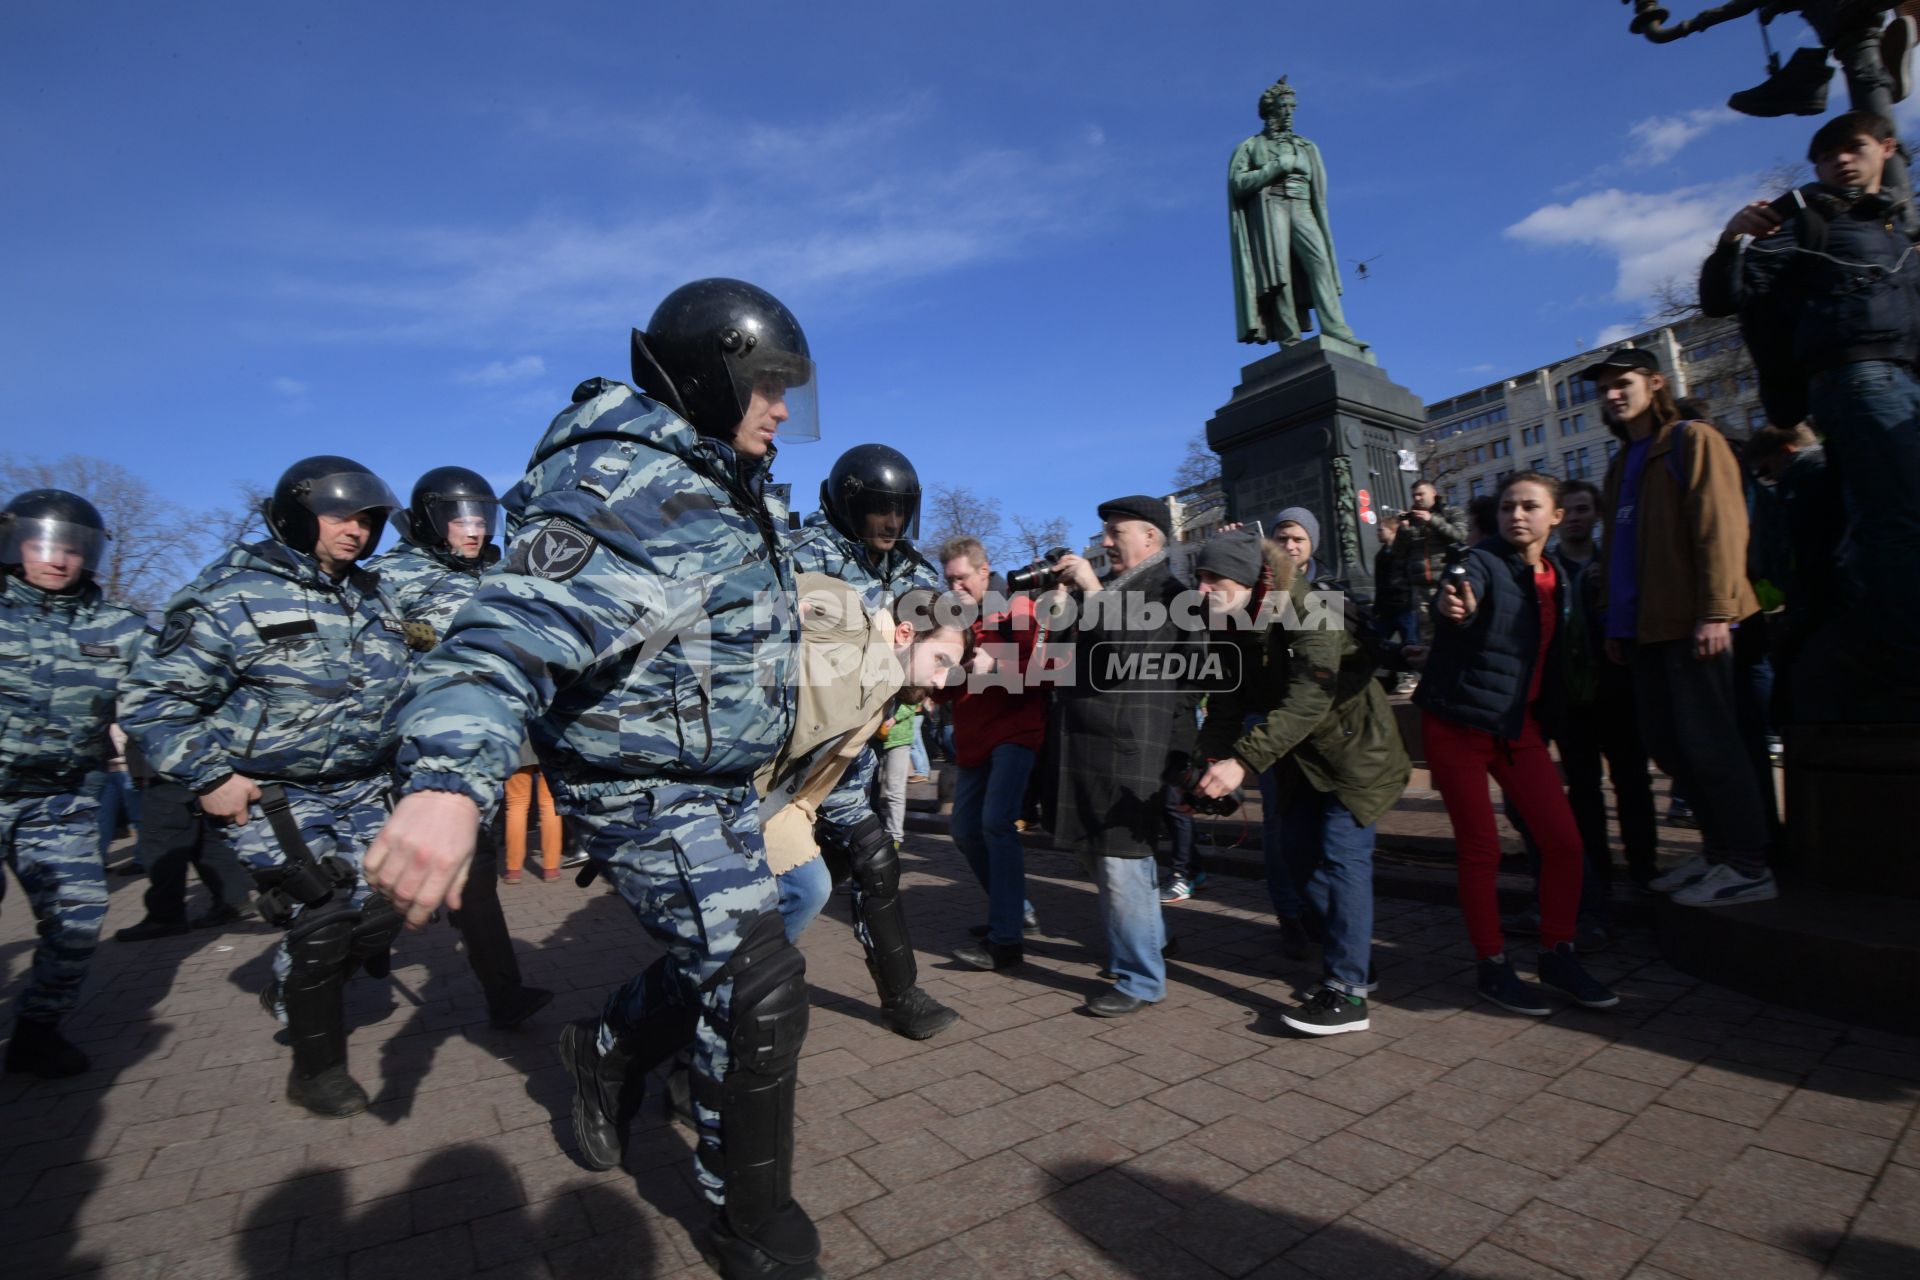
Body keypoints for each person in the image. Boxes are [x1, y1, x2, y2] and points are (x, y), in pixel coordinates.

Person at [363, 279, 825, 1280]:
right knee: (757, 983)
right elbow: (505, 631)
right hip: (639, 785)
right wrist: (445, 781)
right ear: (709, 374)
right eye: (768, 385)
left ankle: (607, 1046)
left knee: (755, 932)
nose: (784, 409)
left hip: (718, 779)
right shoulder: (616, 477)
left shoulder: (720, 481)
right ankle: (749, 1223)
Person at [118, 456, 413, 1115]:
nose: (358, 531)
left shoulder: (372, 595)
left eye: (368, 520)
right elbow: (151, 699)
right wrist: (209, 775)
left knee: (391, 905)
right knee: (325, 918)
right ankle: (316, 1072)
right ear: (296, 514)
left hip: (366, 787)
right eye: (342, 517)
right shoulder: (231, 594)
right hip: (277, 795)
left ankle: (291, 985)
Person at [1700, 109, 1920, 689]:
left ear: (1886, 149)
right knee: (1897, 517)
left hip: (1900, 378)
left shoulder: (1897, 229)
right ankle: (1903, 654)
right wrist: (1732, 237)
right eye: (1827, 156)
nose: (1840, 161)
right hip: (1857, 376)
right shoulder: (1804, 222)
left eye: (1852, 148)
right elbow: (1727, 295)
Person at [1415, 471, 1620, 1017]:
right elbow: (1460, 583)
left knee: (1564, 843)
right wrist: (1452, 603)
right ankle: (1493, 966)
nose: (1516, 516)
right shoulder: (1482, 562)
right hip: (1457, 723)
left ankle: (1558, 952)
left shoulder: (1559, 576)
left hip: (1517, 726)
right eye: (1507, 507)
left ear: (1555, 516)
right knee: (1481, 847)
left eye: (1530, 506)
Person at [1192, 529, 1410, 1034]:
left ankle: (1348, 993)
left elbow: (1310, 698)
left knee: (1341, 859)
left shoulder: (1307, 604)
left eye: (1213, 579)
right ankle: (1352, 954)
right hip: (1297, 759)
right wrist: (1207, 764)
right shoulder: (1222, 620)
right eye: (1199, 578)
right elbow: (1224, 703)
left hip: (1354, 754)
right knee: (1296, 858)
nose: (1201, 590)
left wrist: (1242, 763)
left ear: (1248, 580)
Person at [1583, 348, 1777, 907]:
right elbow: (1619, 554)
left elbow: (1720, 527)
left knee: (1710, 744)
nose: (1612, 396)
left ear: (1655, 383)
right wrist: (1616, 627)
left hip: (1694, 624)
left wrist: (1715, 611)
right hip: (1645, 632)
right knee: (1671, 746)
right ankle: (1717, 854)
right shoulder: (1623, 463)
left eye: (1622, 384)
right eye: (1604, 390)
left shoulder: (1693, 440)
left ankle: (1747, 863)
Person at [367, 466, 552, 1031]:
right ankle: (348, 945)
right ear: (429, 520)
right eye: (459, 519)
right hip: (421, 745)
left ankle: (502, 992)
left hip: (486, 741)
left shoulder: (498, 572)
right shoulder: (388, 577)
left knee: (471, 871)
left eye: (481, 518)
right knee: (441, 866)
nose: (473, 530)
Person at [784, 443, 956, 1041]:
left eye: (901, 510)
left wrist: (935, 664)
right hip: (795, 752)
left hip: (852, 751)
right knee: (836, 867)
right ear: (848, 507)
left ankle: (901, 993)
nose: (893, 523)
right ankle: (712, 990)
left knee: (856, 861)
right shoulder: (805, 555)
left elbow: (940, 628)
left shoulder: (909, 567)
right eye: (880, 510)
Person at [0, 490, 145, 1077]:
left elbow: (167, 698)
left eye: (73, 549)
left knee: (80, 917)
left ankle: (37, 1029)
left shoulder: (119, 628)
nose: (58, 561)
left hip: (58, 800)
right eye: (42, 546)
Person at [1041, 495, 1201, 1018]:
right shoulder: (1114, 589)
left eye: (1116, 532)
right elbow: (1059, 658)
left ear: (1151, 538)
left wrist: (1091, 590)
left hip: (1131, 748)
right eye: (1105, 532)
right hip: (1086, 746)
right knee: (1101, 859)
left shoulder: (1170, 592)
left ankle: (1140, 979)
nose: (1106, 541)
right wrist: (1064, 600)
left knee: (1123, 863)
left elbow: (1133, 657)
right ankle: (1155, 941)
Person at [939, 536, 1045, 968]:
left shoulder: (1021, 608)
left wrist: (993, 667)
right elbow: (944, 687)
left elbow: (1044, 672)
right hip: (972, 739)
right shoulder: (954, 619)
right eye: (948, 580)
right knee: (965, 831)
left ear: (984, 571)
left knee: (996, 825)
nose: (955, 587)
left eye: (961, 578)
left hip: (1015, 734)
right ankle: (1015, 910)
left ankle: (1006, 939)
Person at [1551, 479, 1657, 901]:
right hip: (1570, 698)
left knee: (1632, 782)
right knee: (1583, 788)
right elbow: (1324, 660)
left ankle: (1644, 868)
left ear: (1596, 515)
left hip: (1617, 692)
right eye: (1568, 510)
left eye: (1582, 509)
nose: (1575, 517)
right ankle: (1597, 875)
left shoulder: (1616, 565)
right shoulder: (1544, 569)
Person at [1228, 76, 1365, 348]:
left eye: (1293, 107)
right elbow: (1238, 183)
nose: (1289, 112)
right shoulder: (1251, 147)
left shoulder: (1306, 146)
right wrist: (1277, 166)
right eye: (1284, 106)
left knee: (1320, 264)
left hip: (1302, 206)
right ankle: (1290, 339)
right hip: (1271, 208)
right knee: (1279, 274)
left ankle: (1336, 328)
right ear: (1271, 109)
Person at [111, 733, 247, 941]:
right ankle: (234, 900)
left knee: (161, 846)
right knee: (203, 840)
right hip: (186, 765)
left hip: (170, 767)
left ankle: (165, 916)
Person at [99, 724, 142, 875]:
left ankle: (141, 860)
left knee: (138, 817)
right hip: (105, 770)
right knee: (103, 818)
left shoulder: (124, 709)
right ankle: (98, 860)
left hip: (127, 769)